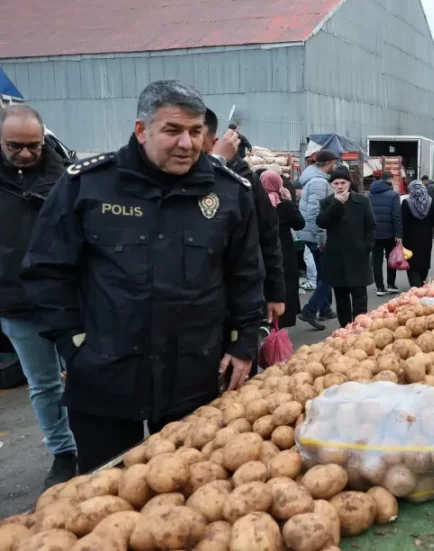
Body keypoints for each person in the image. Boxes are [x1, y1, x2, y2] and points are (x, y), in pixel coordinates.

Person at [22, 80, 265, 473]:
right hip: (106, 381)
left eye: (195, 131)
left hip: (195, 377)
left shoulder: (229, 193)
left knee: (192, 492)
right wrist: (74, 345)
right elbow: (46, 273)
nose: (186, 143)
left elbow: (247, 276)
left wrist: (244, 344)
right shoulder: (87, 186)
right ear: (141, 130)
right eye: (172, 130)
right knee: (105, 496)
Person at [0, 104, 78, 487]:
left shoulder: (64, 177)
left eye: (33, 145)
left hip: (66, 300)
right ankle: (63, 453)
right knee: (43, 383)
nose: (27, 153)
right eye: (16, 146)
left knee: (86, 374)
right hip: (15, 305)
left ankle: (93, 444)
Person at [203, 109, 284, 325]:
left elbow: (268, 231)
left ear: (212, 140)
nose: (184, 143)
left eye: (194, 133)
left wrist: (275, 291)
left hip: (236, 294)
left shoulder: (241, 178)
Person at [316, 166, 375, 327]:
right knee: (341, 298)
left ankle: (360, 328)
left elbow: (371, 226)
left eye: (343, 182)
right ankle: (345, 329)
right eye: (336, 183)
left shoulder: (362, 201)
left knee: (359, 298)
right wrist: (336, 203)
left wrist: (366, 247)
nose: (340, 186)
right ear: (331, 185)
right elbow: (322, 222)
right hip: (336, 258)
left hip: (358, 256)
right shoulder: (327, 202)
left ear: (349, 183)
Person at [297, 151, 339, 330]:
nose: (335, 166)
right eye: (334, 163)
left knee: (323, 272)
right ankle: (310, 309)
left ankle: (325, 308)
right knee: (329, 274)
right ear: (328, 163)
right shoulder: (319, 182)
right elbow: (316, 213)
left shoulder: (313, 179)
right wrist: (321, 238)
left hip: (309, 234)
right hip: (316, 235)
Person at [259, 170, 305, 328]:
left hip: (261, 251)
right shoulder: (284, 205)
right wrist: (290, 202)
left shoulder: (257, 203)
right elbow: (300, 223)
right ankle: (282, 323)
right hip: (284, 250)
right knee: (286, 284)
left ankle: (266, 323)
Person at [369, 171, 403, 296]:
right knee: (391, 258)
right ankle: (391, 284)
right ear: (391, 180)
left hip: (374, 233)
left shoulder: (370, 194)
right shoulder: (393, 195)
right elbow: (396, 216)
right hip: (389, 233)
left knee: (376, 261)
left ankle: (380, 287)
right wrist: (399, 234)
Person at [402, 180, 434, 287]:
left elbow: (402, 220)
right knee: (424, 260)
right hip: (426, 237)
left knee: (412, 263)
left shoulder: (406, 203)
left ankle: (415, 285)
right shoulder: (431, 202)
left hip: (410, 238)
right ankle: (422, 281)